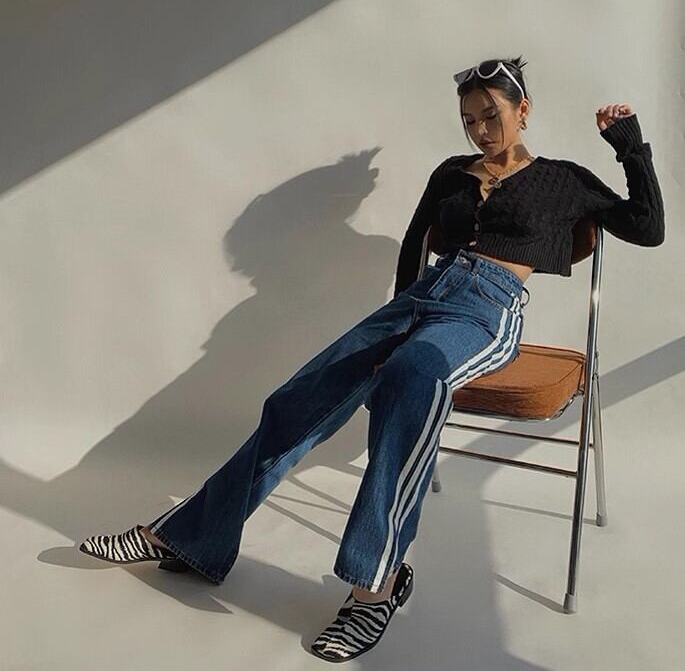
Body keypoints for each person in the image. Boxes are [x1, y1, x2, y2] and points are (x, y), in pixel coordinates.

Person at [79, 55, 665, 663]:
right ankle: (189, 539)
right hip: (419, 299)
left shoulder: (563, 179)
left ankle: (375, 586)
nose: (480, 130)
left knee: (411, 378)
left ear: (524, 109)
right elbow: (415, 245)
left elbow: (648, 228)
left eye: (491, 115)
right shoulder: (451, 173)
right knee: (294, 402)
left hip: (487, 308)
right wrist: (396, 323)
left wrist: (628, 145)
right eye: (469, 120)